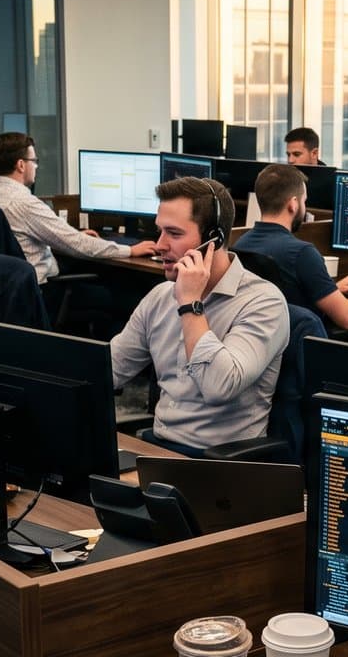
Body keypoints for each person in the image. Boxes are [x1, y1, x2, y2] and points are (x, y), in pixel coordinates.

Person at [110, 177, 289, 453]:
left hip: (221, 464)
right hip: (158, 450)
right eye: (160, 231)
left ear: (213, 240)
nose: (159, 244)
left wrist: (190, 304)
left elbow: (219, 387)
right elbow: (110, 369)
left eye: (174, 233)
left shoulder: (263, 303)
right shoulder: (160, 296)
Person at [0, 132, 157, 283]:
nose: (36, 166)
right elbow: (77, 244)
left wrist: (74, 235)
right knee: (115, 290)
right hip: (38, 287)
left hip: (7, 283)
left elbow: (64, 238)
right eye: (34, 160)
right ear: (21, 165)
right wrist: (131, 250)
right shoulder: (24, 203)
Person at [238, 163, 348, 329]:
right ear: (293, 204)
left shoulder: (241, 244)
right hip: (304, 347)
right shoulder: (302, 253)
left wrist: (330, 290)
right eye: (304, 201)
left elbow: (284, 299)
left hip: (270, 347)